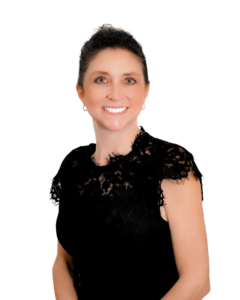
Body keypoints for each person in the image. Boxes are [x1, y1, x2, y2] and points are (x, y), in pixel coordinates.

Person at [50, 24, 210, 300]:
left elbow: (197, 280)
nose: (115, 93)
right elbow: (64, 262)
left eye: (129, 80)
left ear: (146, 90)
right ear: (81, 92)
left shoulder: (171, 164)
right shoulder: (74, 165)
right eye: (101, 79)